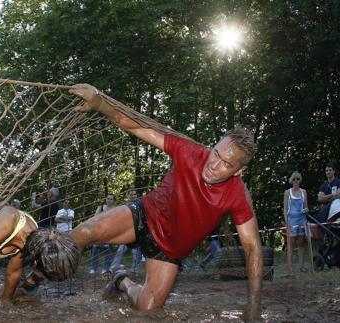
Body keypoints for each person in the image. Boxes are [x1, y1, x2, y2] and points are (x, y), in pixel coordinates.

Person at [68, 84, 263, 320]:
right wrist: (99, 103)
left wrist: (253, 306)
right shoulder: (190, 152)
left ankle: (121, 280)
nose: (214, 164)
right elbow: (136, 126)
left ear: (238, 171)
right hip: (145, 216)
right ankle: (32, 280)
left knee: (147, 310)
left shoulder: (237, 194)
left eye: (226, 164)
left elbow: (253, 249)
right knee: (84, 232)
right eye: (216, 153)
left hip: (170, 250)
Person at [110, 189, 143, 273]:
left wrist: (140, 225)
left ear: (136, 195)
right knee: (121, 249)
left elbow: (141, 216)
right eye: (131, 194)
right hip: (127, 231)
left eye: (134, 194)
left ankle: (134, 269)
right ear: (128, 196)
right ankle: (113, 267)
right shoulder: (126, 205)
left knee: (136, 252)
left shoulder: (140, 204)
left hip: (137, 231)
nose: (133, 196)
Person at [282, 171, 309, 273]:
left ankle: (302, 267)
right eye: (294, 179)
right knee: (291, 243)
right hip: (291, 220)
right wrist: (286, 221)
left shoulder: (304, 192)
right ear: (291, 180)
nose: (296, 181)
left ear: (300, 180)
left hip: (302, 220)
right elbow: (285, 208)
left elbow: (306, 206)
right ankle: (290, 267)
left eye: (298, 179)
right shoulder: (287, 192)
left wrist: (306, 209)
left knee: (301, 243)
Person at [89, 194, 116, 275]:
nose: (109, 200)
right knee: (95, 250)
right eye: (108, 198)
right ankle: (93, 269)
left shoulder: (115, 209)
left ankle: (105, 269)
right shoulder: (100, 208)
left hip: (108, 233)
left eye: (111, 199)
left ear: (114, 201)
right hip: (98, 231)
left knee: (107, 251)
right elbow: (95, 218)